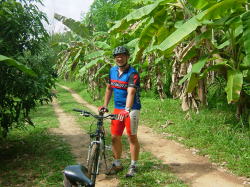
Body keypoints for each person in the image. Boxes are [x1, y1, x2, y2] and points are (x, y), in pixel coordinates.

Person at [98, 46, 141, 177]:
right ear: (114, 58)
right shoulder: (112, 71)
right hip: (117, 108)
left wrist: (126, 110)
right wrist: (105, 105)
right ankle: (117, 164)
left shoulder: (133, 73)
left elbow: (131, 92)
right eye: (117, 56)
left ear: (127, 57)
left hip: (131, 109)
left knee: (131, 137)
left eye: (122, 55)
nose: (120, 58)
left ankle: (134, 165)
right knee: (115, 137)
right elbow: (109, 89)